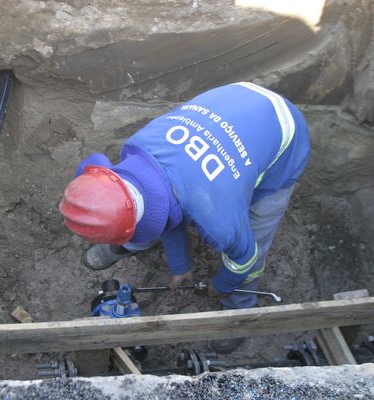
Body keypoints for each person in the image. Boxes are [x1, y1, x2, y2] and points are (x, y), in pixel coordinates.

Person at [59, 82, 310, 353]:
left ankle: (239, 311)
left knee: (254, 250)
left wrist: (222, 284)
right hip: (234, 101)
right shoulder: (136, 148)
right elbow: (162, 199)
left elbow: (244, 259)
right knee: (160, 206)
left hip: (284, 138)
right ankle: (128, 241)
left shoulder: (218, 223)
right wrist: (180, 266)